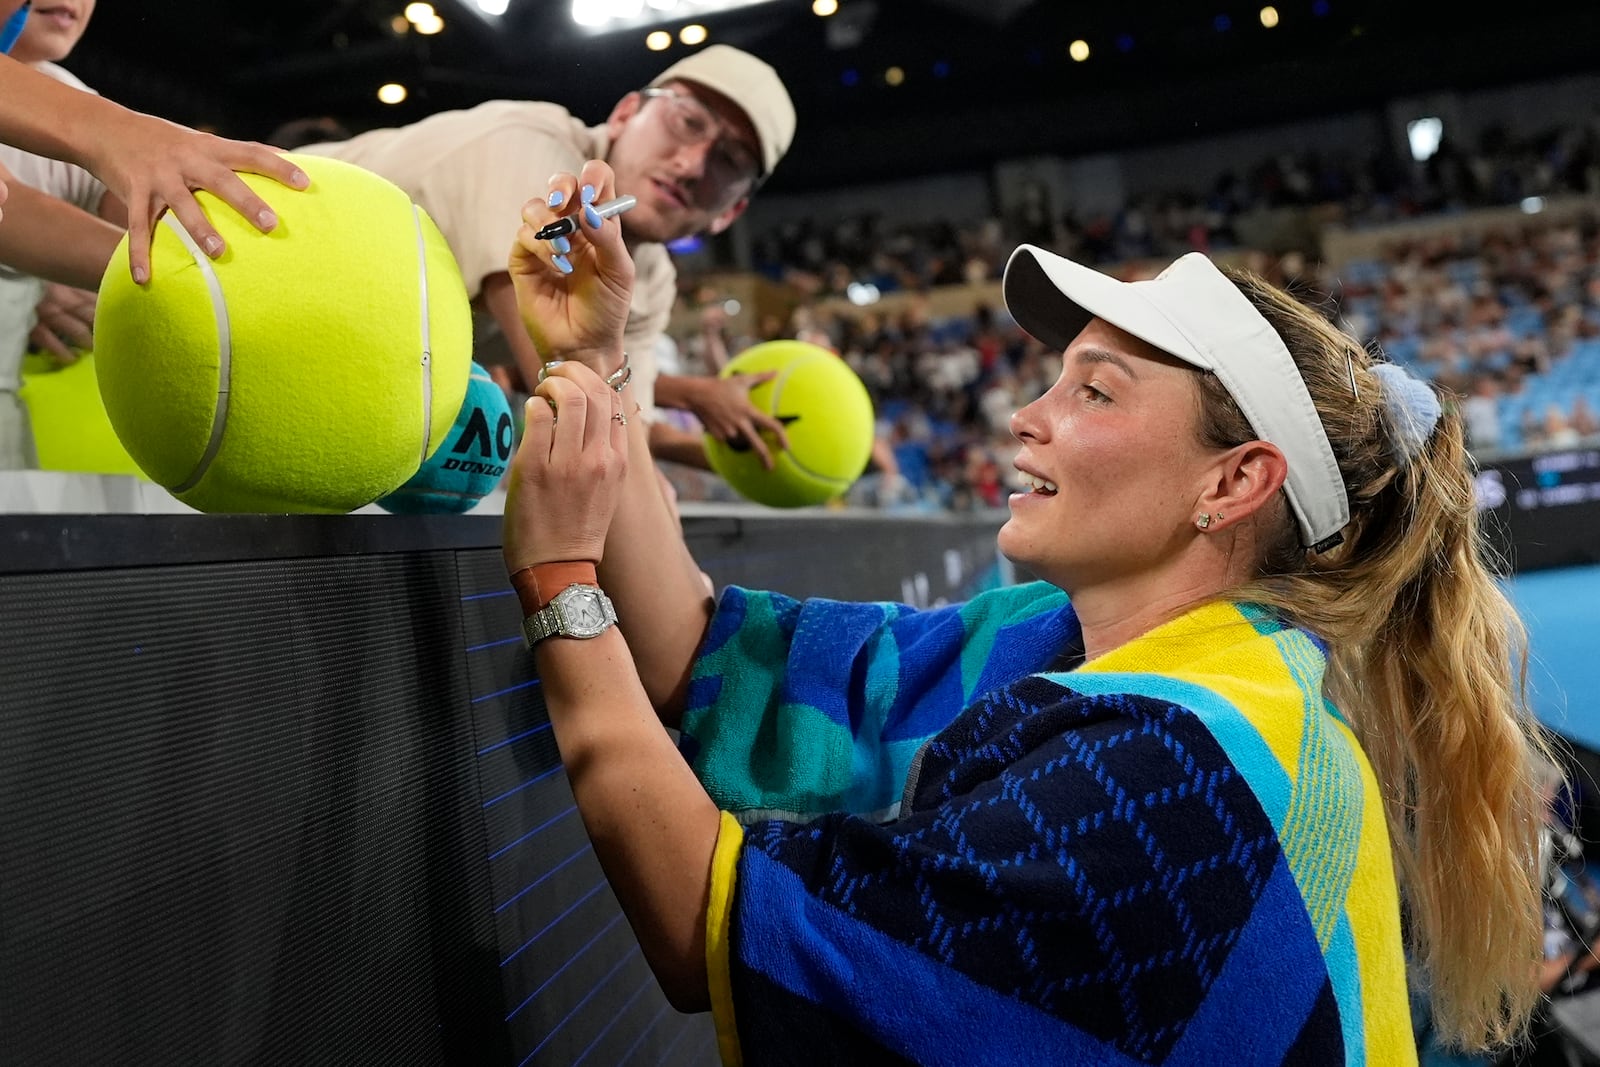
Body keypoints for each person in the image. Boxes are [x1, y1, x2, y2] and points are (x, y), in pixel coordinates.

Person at [498, 161, 1550, 1063]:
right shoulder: (1090, 651)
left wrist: (556, 580)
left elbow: (712, 924)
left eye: (1093, 391)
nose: (1023, 414)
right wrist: (592, 358)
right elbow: (713, 657)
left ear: (1233, 482)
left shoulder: (1182, 761)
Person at [298, 44, 797, 470]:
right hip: (242, 252)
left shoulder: (652, 278)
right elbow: (584, 418)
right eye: (686, 122)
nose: (691, 164)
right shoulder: (538, 160)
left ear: (731, 212)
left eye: (729, 160)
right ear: (625, 113)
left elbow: (623, 434)